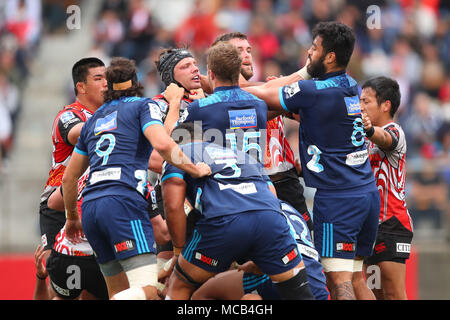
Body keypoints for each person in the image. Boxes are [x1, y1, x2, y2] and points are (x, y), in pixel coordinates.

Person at [244, 21, 380, 300]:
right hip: (366, 193)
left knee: (338, 282)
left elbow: (259, 95)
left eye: (314, 48)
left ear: (329, 56)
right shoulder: (350, 85)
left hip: (339, 199)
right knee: (357, 278)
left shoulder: (313, 90)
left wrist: (216, 86)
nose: (309, 51)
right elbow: (315, 115)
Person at [61, 57, 211, 300]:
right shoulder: (143, 106)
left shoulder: (93, 121)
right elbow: (163, 144)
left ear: (108, 87)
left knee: (120, 292)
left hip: (90, 209)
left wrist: (71, 218)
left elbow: (69, 180)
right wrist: (195, 169)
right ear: (136, 82)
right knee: (150, 291)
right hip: (124, 202)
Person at [161, 122, 315, 300]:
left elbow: (173, 206)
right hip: (270, 220)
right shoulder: (241, 155)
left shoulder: (178, 155)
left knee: (179, 284)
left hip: (224, 220)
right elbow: (272, 195)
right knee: (298, 293)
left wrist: (179, 251)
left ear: (176, 143)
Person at [211, 31, 313, 231]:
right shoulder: (221, 96)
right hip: (249, 185)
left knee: (304, 245)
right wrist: (290, 86)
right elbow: (254, 94)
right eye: (238, 50)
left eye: (248, 50)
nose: (247, 55)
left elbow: (301, 115)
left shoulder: (269, 88)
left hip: (287, 181)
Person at [38, 57, 106, 261]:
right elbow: (80, 133)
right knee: (55, 273)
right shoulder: (68, 115)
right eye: (98, 78)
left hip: (92, 201)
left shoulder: (107, 114)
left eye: (107, 78)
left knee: (94, 275)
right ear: (81, 87)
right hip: (58, 202)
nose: (106, 83)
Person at [191, 200, 329, 300]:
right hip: (318, 285)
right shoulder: (290, 208)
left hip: (289, 279)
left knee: (205, 292)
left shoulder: (249, 210)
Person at [356, 76, 414, 300]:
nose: (361, 106)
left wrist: (370, 131)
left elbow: (385, 138)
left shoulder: (395, 131)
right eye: (360, 101)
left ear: (385, 105)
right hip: (371, 226)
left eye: (366, 101)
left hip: (392, 224)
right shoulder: (362, 137)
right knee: (377, 293)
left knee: (393, 294)